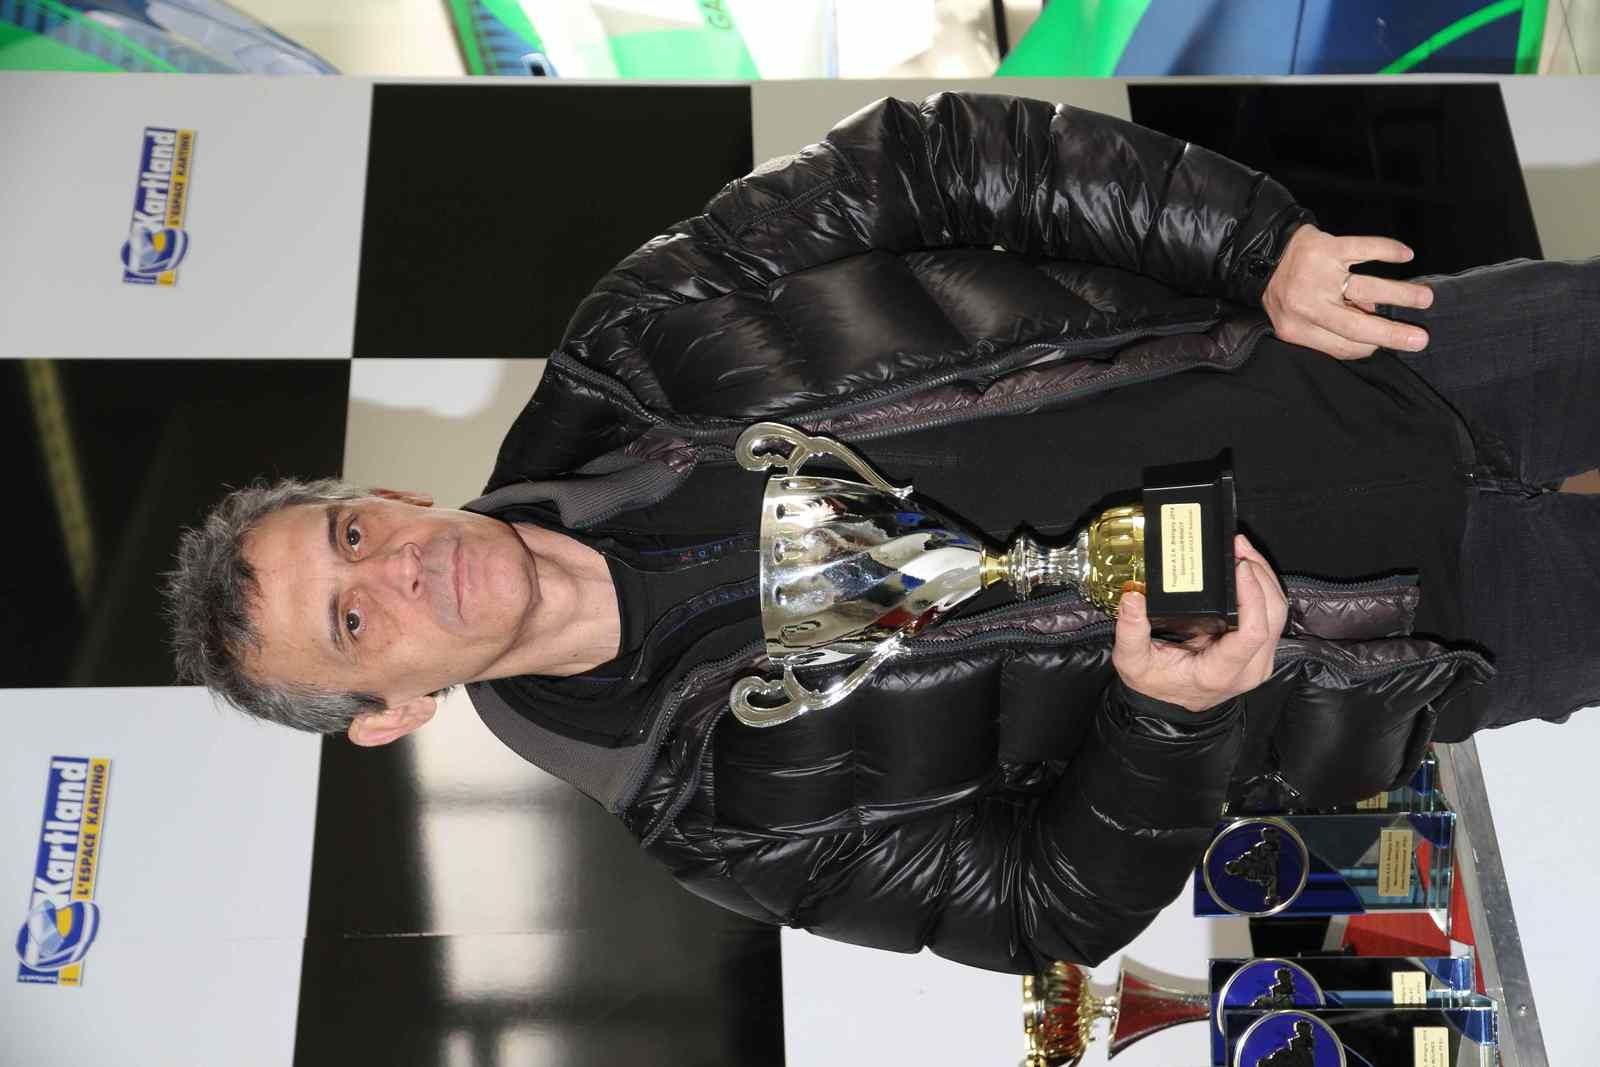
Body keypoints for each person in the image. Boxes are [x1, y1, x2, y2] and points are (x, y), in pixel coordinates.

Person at [165, 93, 1598, 973]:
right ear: (391, 712)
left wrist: (1251, 248)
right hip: (1422, 636)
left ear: (388, 497)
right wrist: (1169, 724)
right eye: (354, 621)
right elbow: (1041, 911)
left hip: (1380, 363)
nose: (397, 570)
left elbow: (932, 158)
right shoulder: (717, 818)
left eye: (349, 534)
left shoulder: (639, 343)